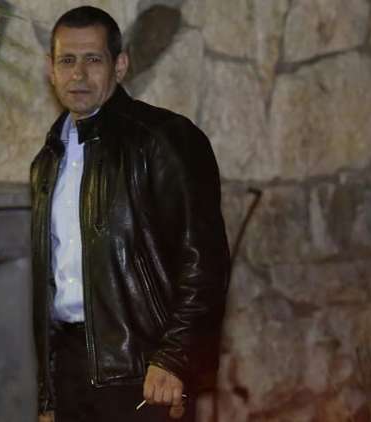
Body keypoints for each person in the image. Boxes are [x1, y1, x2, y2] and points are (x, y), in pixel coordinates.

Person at [30, 6, 230, 422]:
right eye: (67, 60)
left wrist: (174, 358)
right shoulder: (46, 161)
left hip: (145, 372)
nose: (78, 74)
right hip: (71, 369)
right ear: (50, 69)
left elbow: (205, 262)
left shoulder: (165, 140)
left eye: (93, 59)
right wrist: (49, 394)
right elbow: (51, 282)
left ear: (119, 65)